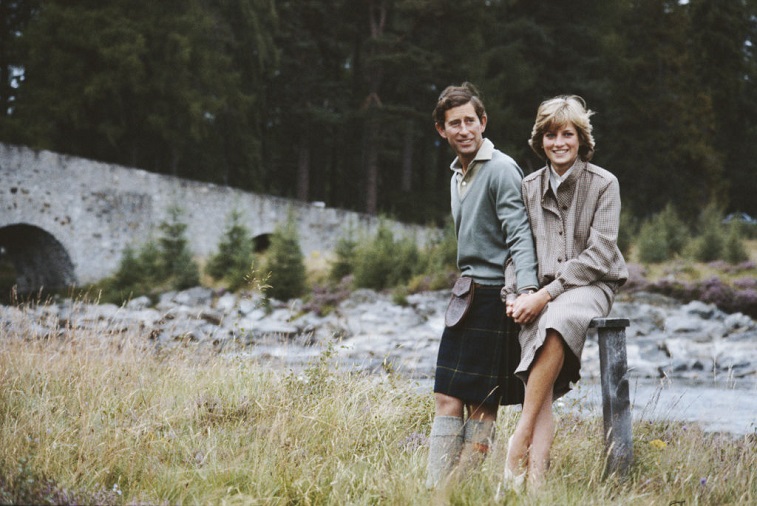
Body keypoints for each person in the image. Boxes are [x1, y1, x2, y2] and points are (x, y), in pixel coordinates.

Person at [501, 95, 629, 492]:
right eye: (551, 135)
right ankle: (535, 486)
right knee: (537, 335)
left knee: (555, 319)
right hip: (539, 288)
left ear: (581, 139)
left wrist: (545, 295)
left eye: (567, 134)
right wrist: (516, 293)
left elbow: (601, 253)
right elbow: (517, 249)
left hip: (592, 284)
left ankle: (519, 436)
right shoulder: (528, 187)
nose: (559, 143)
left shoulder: (605, 184)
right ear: (540, 140)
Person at [425, 82, 539, 489]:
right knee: (446, 397)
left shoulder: (501, 169)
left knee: (482, 404)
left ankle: (454, 493)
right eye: (454, 123)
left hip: (495, 297)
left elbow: (520, 234)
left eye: (470, 121)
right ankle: (436, 491)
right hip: (466, 293)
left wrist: (527, 291)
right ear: (442, 130)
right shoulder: (457, 174)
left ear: (483, 122)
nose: (464, 130)